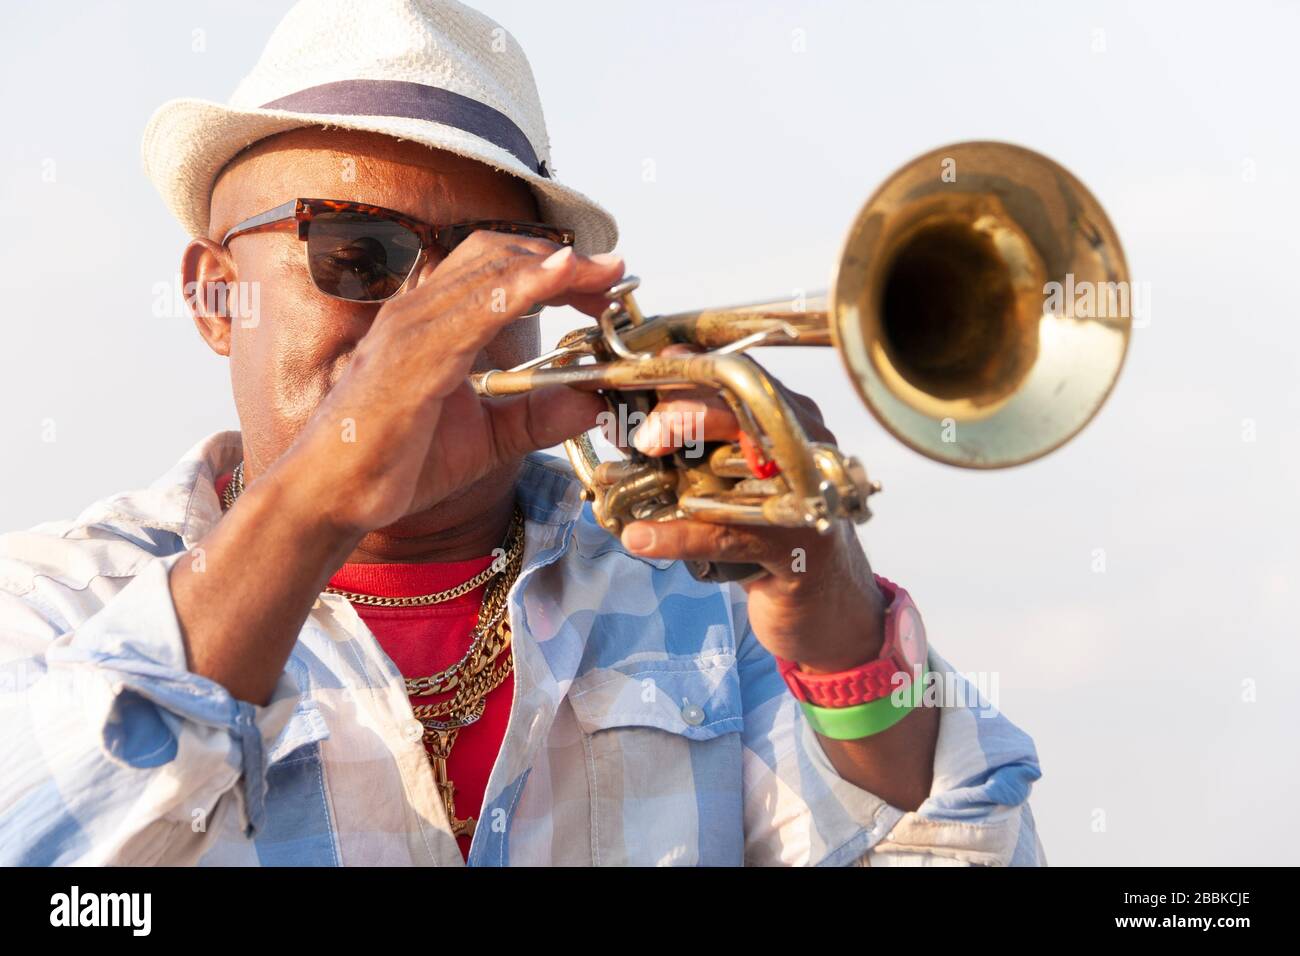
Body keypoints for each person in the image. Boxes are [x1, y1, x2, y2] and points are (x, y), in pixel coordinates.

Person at [0, 0, 1045, 866]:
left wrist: (834, 615)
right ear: (216, 292)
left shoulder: (703, 601)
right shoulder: (54, 605)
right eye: (357, 253)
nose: (429, 317)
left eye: (490, 263)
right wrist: (321, 490)